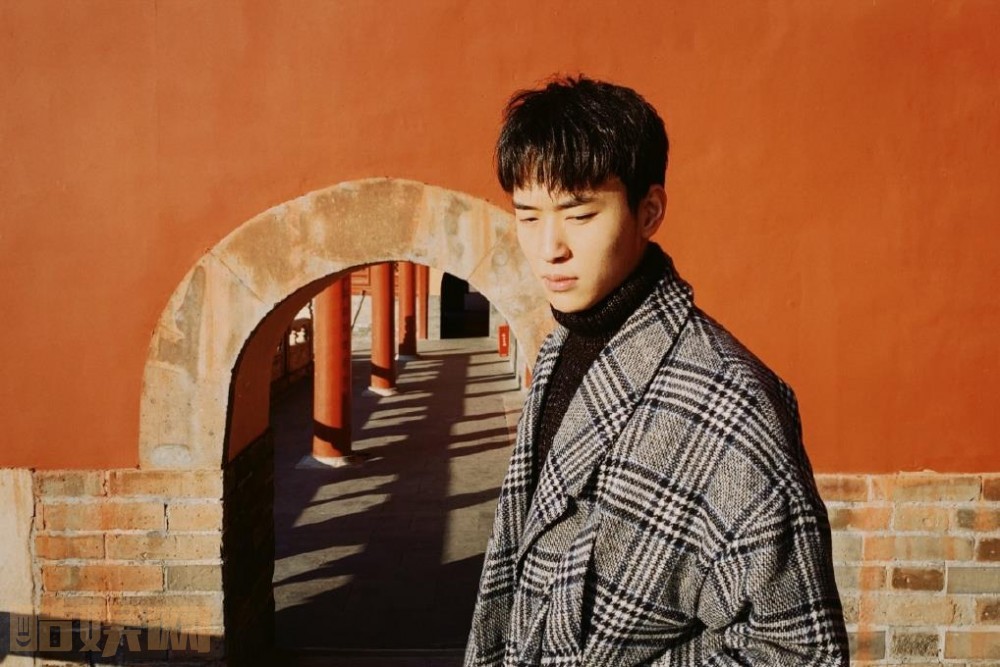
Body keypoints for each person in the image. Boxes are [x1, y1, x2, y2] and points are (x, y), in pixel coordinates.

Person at [464, 76, 848, 666]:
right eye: (528, 217)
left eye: (579, 215)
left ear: (649, 211)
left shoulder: (730, 403)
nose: (549, 248)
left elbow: (800, 651)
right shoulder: (563, 347)